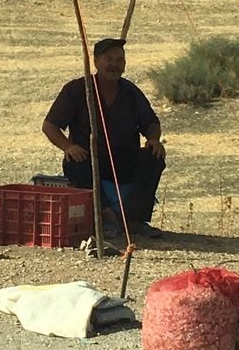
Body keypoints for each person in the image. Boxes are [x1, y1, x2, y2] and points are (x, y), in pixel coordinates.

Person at [42, 38, 166, 238]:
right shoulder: (76, 90)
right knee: (74, 161)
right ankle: (107, 216)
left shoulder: (130, 92)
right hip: (90, 159)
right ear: (96, 61)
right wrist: (68, 146)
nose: (114, 64)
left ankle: (134, 220)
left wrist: (153, 139)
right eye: (109, 58)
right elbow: (50, 126)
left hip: (124, 160)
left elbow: (151, 122)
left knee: (154, 157)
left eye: (119, 60)